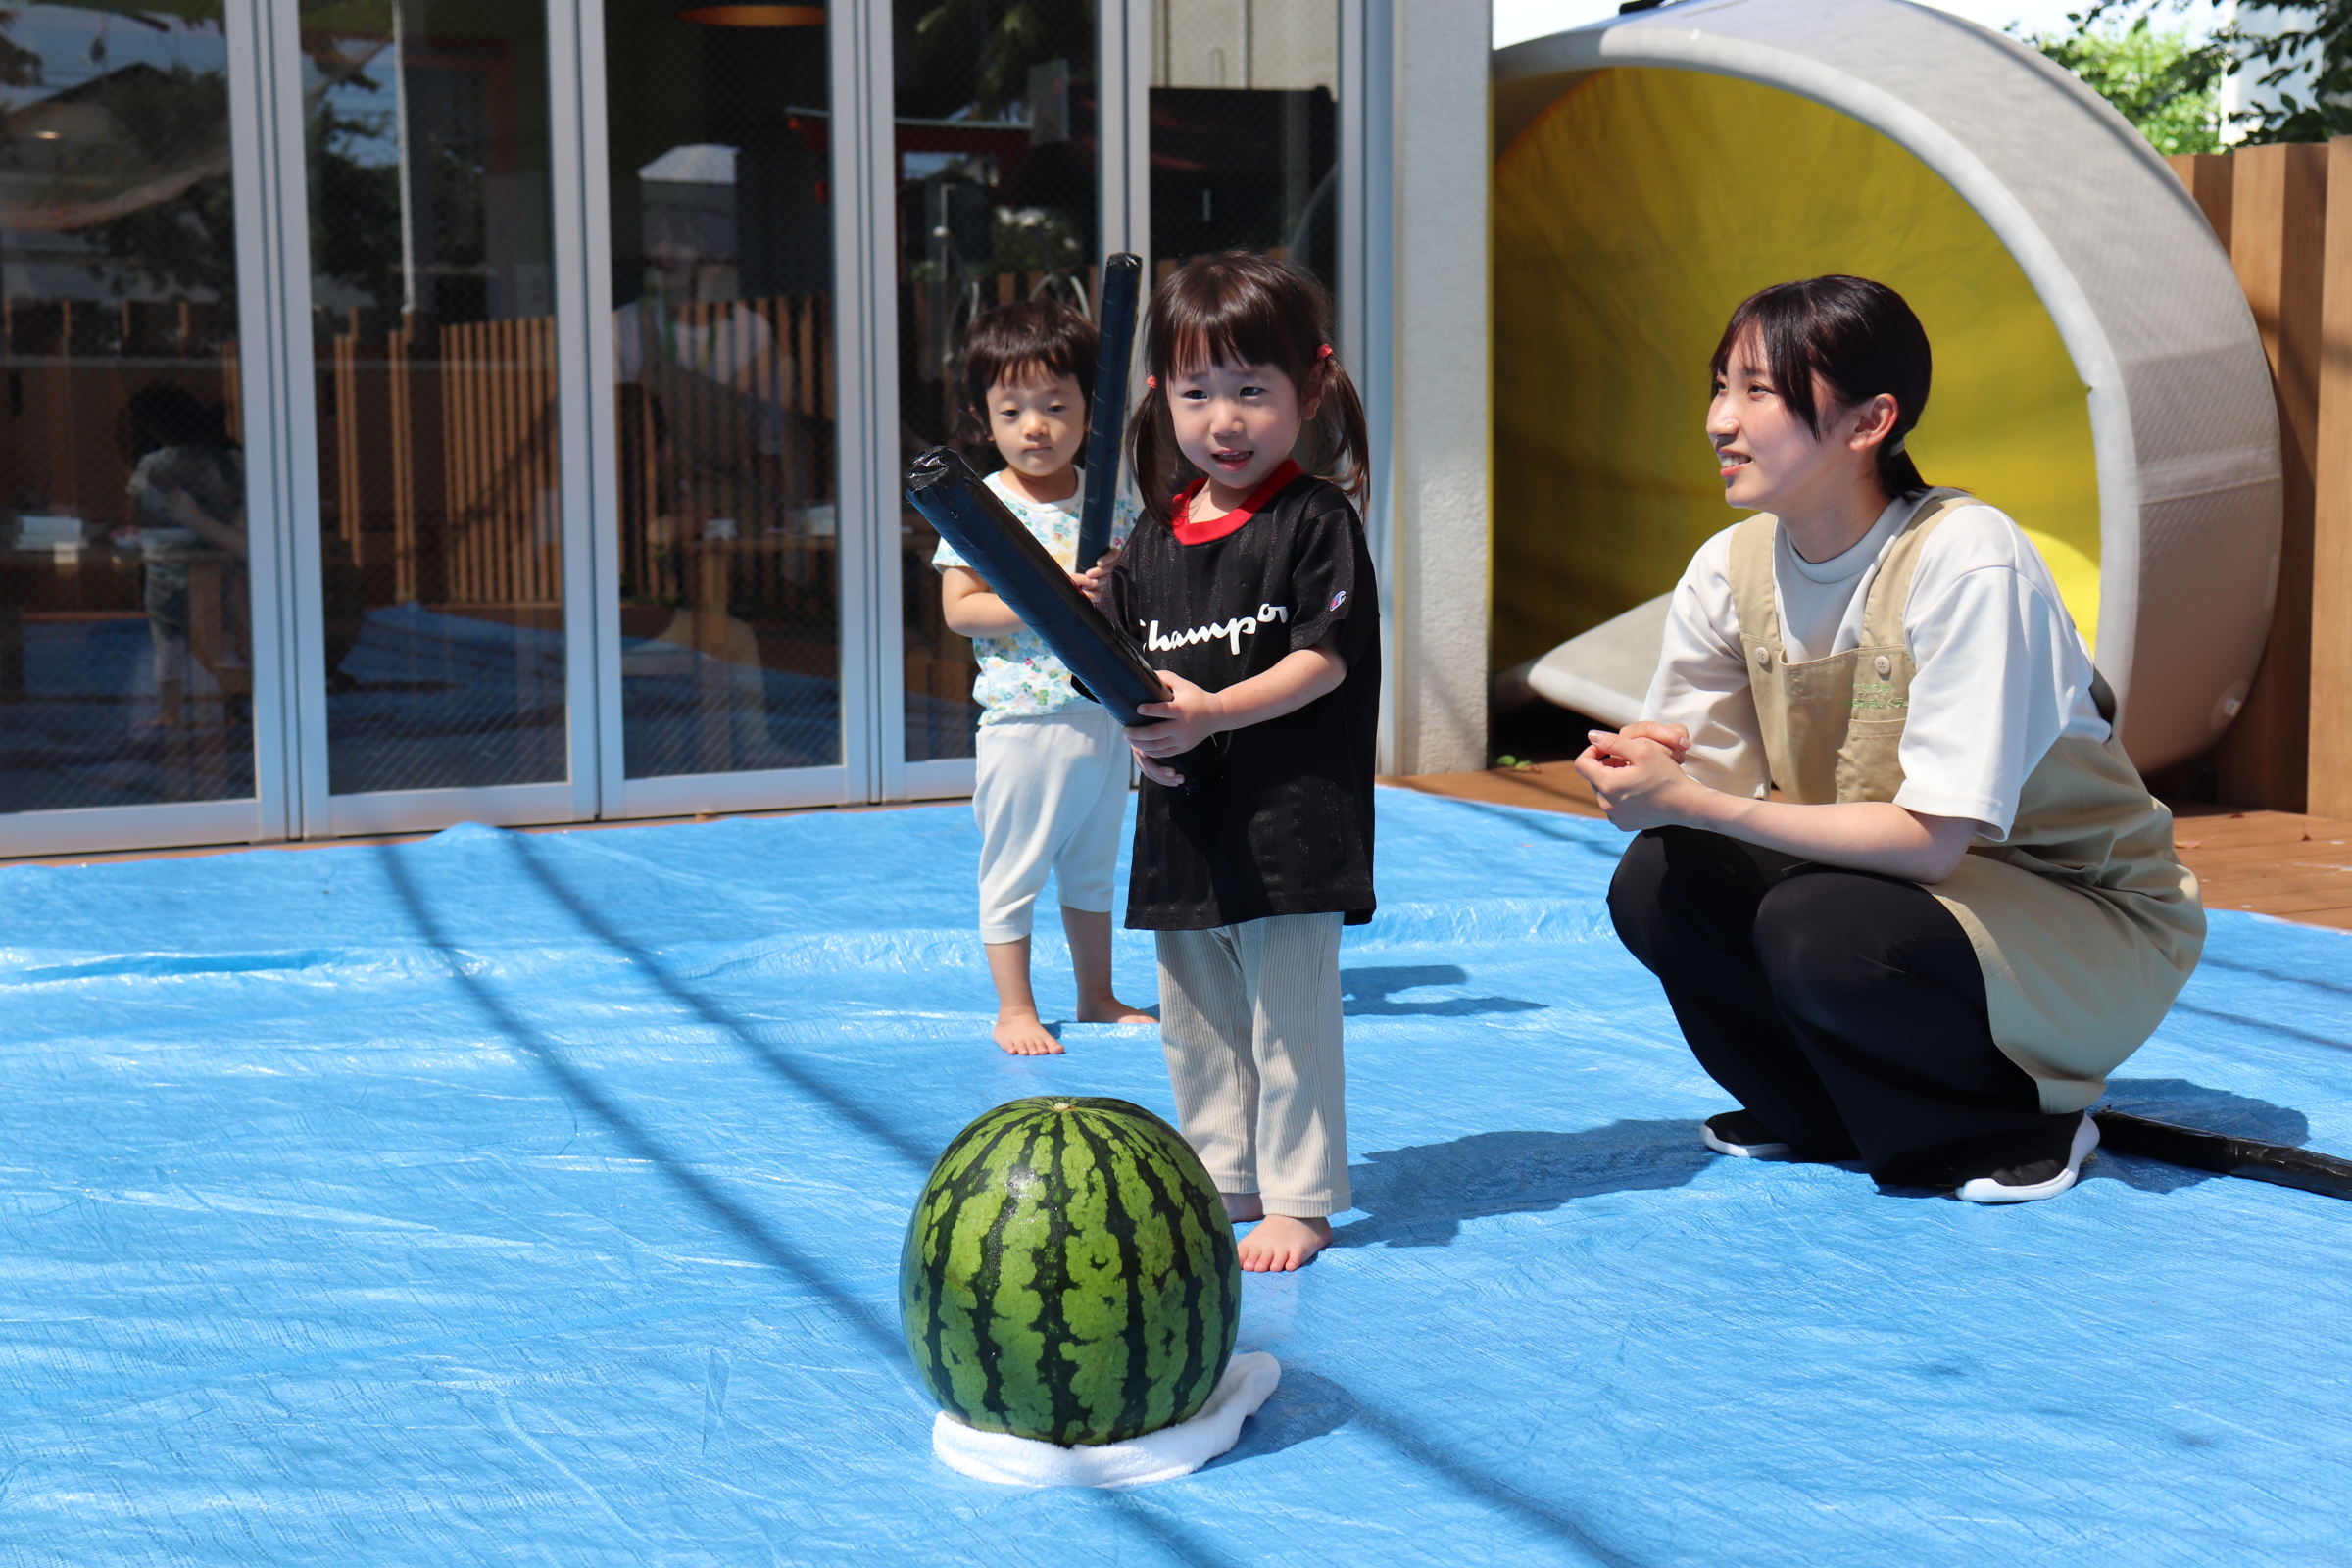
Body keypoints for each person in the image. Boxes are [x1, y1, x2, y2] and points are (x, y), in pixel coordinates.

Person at [1577, 275, 2204, 1203]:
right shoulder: (1729, 567)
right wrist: (1647, 777)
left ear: (1870, 421)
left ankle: (2011, 1120)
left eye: (1759, 391)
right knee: (1663, 878)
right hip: (1908, 892)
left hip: (2081, 920)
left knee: (1821, 924)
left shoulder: (1970, 559)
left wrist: (1694, 801)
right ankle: (1816, 1110)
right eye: (1719, 386)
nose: (1720, 420)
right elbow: (1697, 793)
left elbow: (1933, 841)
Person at [1101, 253, 1379, 1271]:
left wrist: (1213, 710)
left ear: (1312, 387)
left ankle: (1301, 1197)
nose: (1225, 420)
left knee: (1288, 1021)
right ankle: (1224, 1173)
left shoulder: (1315, 520)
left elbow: (1322, 659)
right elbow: (1121, 677)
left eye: (1252, 390)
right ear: (1158, 396)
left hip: (1291, 824)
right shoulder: (1150, 538)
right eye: (1197, 393)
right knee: (1198, 1019)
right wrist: (1091, 618)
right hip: (1182, 822)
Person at [933, 301, 1152, 1055]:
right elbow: (961, 610)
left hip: (1103, 717)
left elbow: (1135, 598)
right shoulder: (980, 508)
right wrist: (1046, 595)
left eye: (1057, 407)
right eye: (1013, 410)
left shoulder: (1111, 500)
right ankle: (1014, 1009)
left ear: (1091, 410)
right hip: (1024, 724)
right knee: (1014, 870)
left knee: (1092, 871)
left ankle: (1097, 995)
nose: (1036, 427)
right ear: (982, 417)